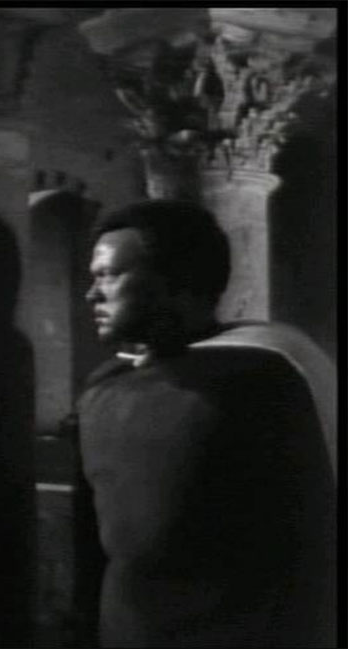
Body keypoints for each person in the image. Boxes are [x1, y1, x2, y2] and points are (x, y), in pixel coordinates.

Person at [72, 199, 335, 647]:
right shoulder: (104, 386)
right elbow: (95, 548)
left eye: (109, 275)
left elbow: (314, 542)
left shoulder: (264, 380)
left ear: (178, 281)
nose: (91, 294)